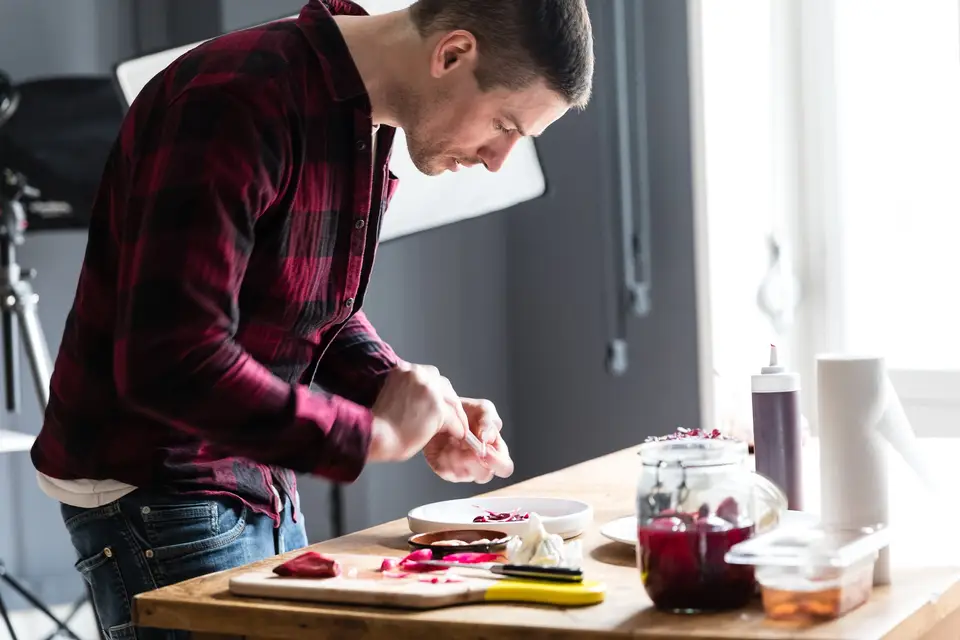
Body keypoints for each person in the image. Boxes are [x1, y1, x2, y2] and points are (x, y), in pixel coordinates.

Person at [30, 0, 594, 637]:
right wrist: (369, 435)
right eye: (505, 124)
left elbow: (298, 304)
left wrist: (402, 395)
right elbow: (170, 362)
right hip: (158, 486)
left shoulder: (363, 116)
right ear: (453, 54)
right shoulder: (232, 103)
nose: (498, 159)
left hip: (249, 472)